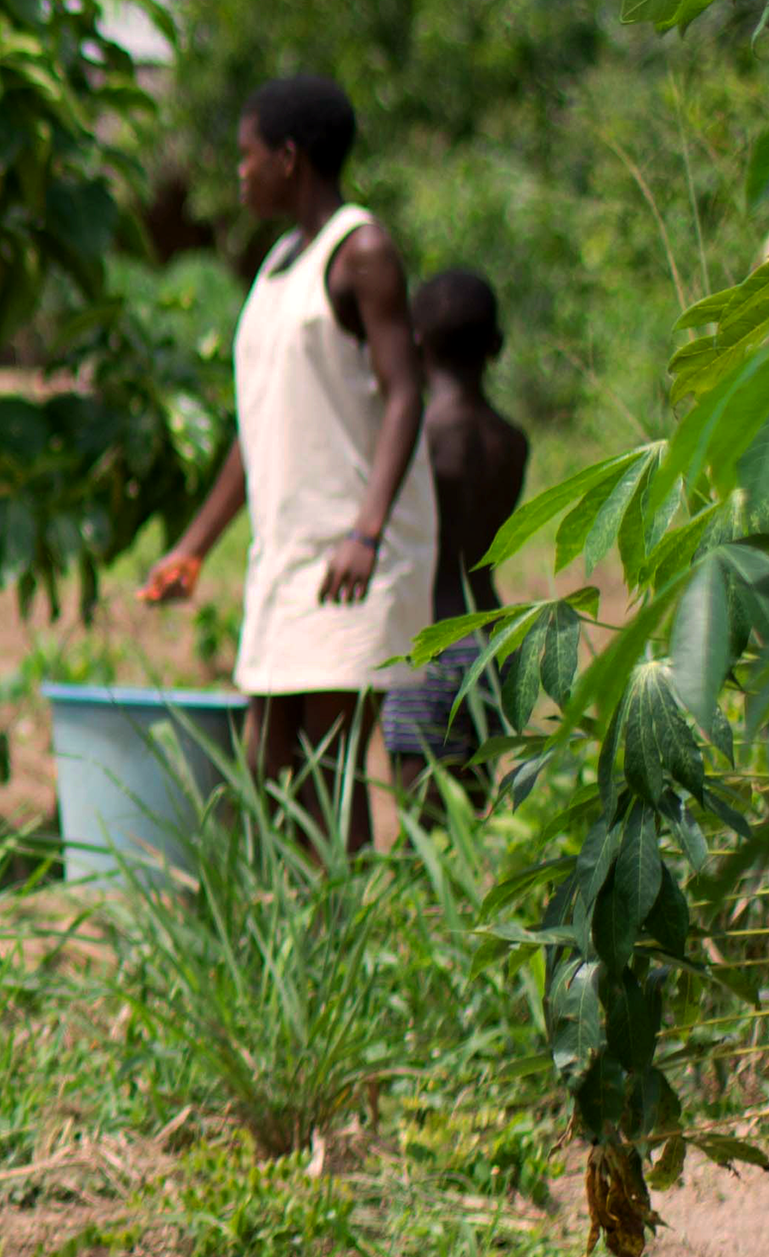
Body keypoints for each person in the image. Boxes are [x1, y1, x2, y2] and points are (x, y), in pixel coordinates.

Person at [139, 73, 432, 850]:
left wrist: (366, 533)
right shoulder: (278, 266)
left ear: (291, 158)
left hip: (348, 550)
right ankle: (312, 937)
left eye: (248, 155)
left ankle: (353, 941)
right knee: (271, 765)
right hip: (289, 552)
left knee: (328, 767)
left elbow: (406, 394)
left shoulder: (360, 251)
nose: (240, 171)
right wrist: (193, 547)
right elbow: (259, 426)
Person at [380, 268, 529, 801]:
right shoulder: (513, 441)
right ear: (496, 345)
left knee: (420, 819)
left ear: (417, 340)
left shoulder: (416, 440)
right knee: (474, 810)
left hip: (430, 641)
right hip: (492, 639)